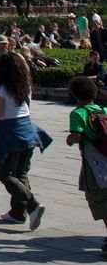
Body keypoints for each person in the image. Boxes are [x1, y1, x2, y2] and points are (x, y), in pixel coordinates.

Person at [0, 52, 47, 230]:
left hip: (10, 131)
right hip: (27, 128)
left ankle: (32, 205)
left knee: (5, 174)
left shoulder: (1, 89)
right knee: (21, 172)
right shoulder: (25, 85)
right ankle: (17, 212)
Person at [66, 76, 107, 258]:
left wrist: (69, 139)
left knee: (99, 198)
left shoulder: (78, 113)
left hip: (95, 163)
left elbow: (76, 135)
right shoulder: (103, 109)